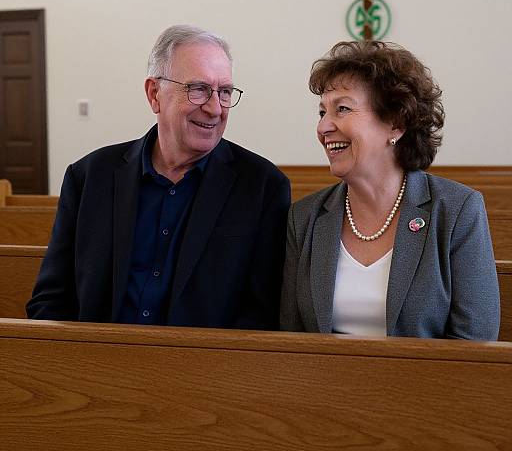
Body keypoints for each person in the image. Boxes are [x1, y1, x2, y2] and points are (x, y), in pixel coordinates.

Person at [27, 25, 290, 329]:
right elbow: (51, 298)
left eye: (225, 92)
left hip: (204, 369)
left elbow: (262, 313)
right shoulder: (88, 177)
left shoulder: (262, 187)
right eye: (199, 89)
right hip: (97, 366)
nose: (215, 108)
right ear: (155, 94)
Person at [280, 40, 500, 339]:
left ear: (396, 124)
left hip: (426, 386)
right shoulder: (304, 218)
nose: (323, 127)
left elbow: (475, 345)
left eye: (342, 108)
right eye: (322, 113)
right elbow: (291, 341)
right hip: (326, 385)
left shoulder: (457, 211)